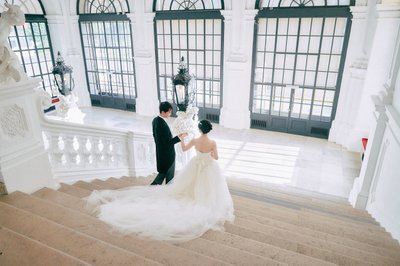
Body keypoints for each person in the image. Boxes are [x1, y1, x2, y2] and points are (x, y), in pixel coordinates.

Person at [86, 120, 234, 241]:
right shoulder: (213, 142)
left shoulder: (195, 140)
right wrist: (209, 155)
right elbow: (216, 157)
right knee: (208, 189)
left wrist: (182, 139)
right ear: (209, 130)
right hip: (208, 167)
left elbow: (184, 149)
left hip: (194, 166)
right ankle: (203, 201)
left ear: (200, 129)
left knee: (187, 187)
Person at [151, 101, 181, 185]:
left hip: (161, 154)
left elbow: (157, 138)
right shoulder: (162, 125)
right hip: (168, 156)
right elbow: (168, 142)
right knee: (170, 179)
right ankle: (166, 195)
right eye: (169, 112)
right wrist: (179, 137)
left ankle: (150, 191)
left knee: (161, 175)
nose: (170, 114)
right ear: (163, 112)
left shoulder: (155, 120)